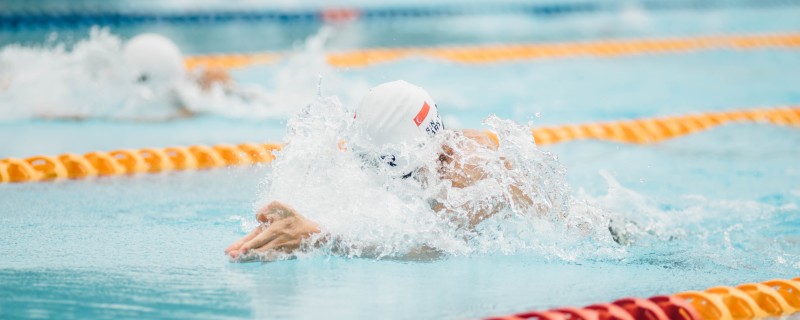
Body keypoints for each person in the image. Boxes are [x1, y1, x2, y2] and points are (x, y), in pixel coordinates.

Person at [225, 80, 608, 261]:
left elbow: (426, 248)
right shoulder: (421, 152)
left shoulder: (472, 171)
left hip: (600, 240)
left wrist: (320, 236)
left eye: (389, 168)